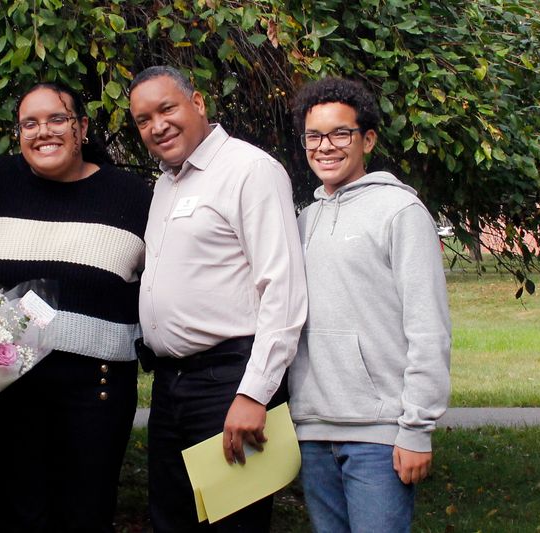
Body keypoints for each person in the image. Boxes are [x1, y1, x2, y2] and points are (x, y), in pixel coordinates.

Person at [129, 65, 308, 532]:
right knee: (173, 520)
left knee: (233, 524)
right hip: (171, 387)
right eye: (143, 119)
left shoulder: (250, 170)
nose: (157, 125)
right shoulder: (167, 183)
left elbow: (282, 290)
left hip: (229, 382)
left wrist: (254, 393)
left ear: (199, 102)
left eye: (167, 108)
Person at [0, 82, 152, 532]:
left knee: (86, 516)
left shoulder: (132, 197)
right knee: (20, 514)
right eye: (29, 123)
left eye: (57, 119)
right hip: (9, 388)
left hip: (98, 392)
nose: (42, 132)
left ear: (82, 127)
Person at [288, 77, 451, 533]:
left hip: (379, 435)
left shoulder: (400, 212)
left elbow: (428, 326)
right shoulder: (302, 221)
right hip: (314, 430)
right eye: (314, 136)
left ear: (368, 139)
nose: (326, 147)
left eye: (341, 133)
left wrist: (417, 428)